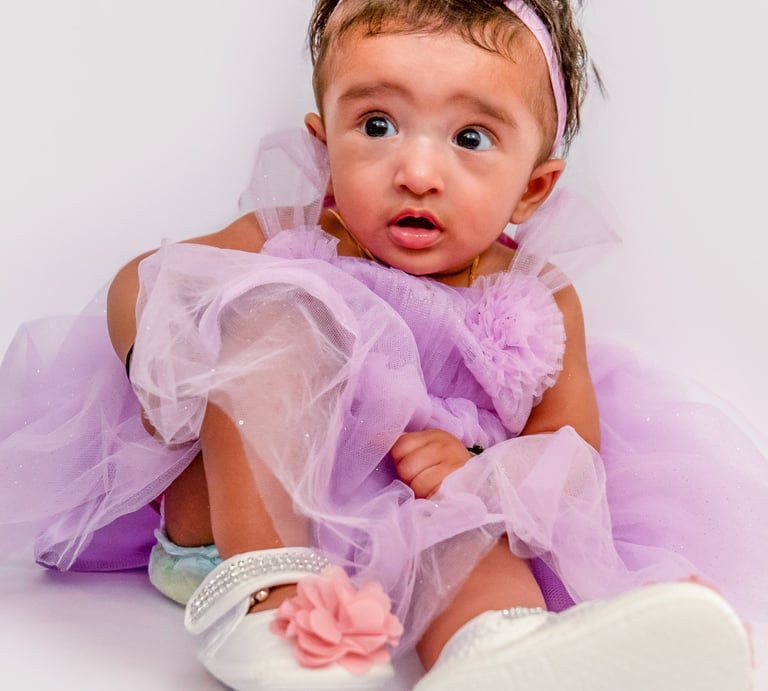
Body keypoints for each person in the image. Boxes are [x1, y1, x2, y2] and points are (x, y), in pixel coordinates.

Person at [0, 0, 765, 689]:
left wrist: (478, 471)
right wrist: (162, 364)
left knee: (473, 533)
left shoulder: (538, 294)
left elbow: (573, 451)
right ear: (325, 142)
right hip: (239, 513)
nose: (419, 171)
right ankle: (265, 600)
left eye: (470, 138)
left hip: (408, 525)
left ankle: (501, 650)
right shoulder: (293, 234)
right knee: (274, 312)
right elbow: (146, 278)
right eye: (376, 125)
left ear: (533, 187)